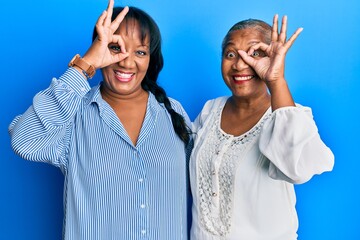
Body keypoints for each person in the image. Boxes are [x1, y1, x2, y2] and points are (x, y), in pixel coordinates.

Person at [8, 0, 192, 239]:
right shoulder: (73, 114)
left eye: (140, 52)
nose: (127, 62)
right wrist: (86, 63)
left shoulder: (173, 112)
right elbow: (25, 140)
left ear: (151, 59)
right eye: (116, 48)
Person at [189, 14, 334, 240]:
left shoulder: (291, 116)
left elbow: (297, 170)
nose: (239, 64)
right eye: (230, 54)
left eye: (255, 53)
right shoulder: (210, 111)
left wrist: (276, 80)